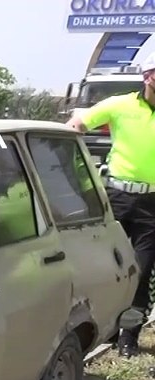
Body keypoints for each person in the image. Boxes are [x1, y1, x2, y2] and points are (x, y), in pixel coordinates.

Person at [68, 52, 155, 358]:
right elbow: (77, 125)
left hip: (152, 206)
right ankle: (94, 326)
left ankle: (128, 336)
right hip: (115, 197)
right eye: (154, 72)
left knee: (141, 272)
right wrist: (80, 177)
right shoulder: (120, 105)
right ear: (146, 77)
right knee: (103, 267)